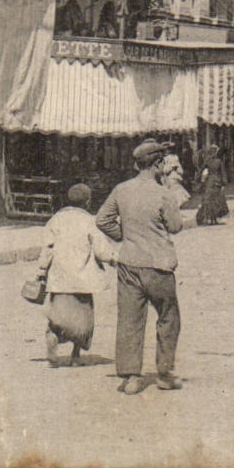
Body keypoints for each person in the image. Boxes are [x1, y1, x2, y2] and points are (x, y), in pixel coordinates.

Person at [96, 140, 187, 394]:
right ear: (158, 165)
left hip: (129, 263)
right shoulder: (163, 193)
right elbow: (176, 226)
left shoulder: (121, 190)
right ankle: (165, 373)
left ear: (137, 164)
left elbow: (102, 219)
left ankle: (131, 377)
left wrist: (123, 235)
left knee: (129, 319)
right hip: (159, 265)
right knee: (169, 317)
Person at [36, 184, 112, 367]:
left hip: (59, 278)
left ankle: (53, 336)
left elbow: (47, 248)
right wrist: (114, 259)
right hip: (82, 280)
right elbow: (101, 250)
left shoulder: (55, 220)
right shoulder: (89, 222)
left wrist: (41, 270)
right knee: (83, 318)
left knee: (58, 315)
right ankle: (76, 355)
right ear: (87, 202)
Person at [195, 146, 229, 226]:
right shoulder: (219, 161)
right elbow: (223, 173)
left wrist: (197, 179)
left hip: (209, 182)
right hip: (217, 182)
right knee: (216, 201)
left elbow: (201, 171)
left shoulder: (207, 161)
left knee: (209, 201)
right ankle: (214, 219)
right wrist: (224, 182)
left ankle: (208, 219)